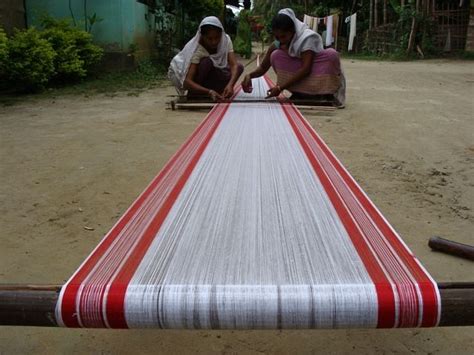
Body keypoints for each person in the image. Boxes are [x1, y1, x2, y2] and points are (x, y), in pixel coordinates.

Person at [241, 8, 345, 107]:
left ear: (293, 31)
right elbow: (263, 67)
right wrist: (249, 76)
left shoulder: (307, 38)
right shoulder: (278, 43)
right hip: (301, 73)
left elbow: (306, 69)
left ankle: (324, 94)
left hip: (313, 72)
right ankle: (299, 93)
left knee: (331, 54)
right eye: (277, 37)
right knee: (276, 55)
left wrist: (280, 88)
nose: (281, 40)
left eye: (284, 36)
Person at [168, 16, 244, 102]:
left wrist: (230, 85)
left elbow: (234, 65)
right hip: (198, 79)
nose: (214, 42)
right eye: (209, 38)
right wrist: (208, 91)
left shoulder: (225, 40)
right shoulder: (197, 49)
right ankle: (195, 93)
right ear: (202, 36)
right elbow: (187, 81)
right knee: (206, 63)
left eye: (217, 38)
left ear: (221, 34)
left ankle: (220, 91)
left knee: (239, 67)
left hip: (212, 75)